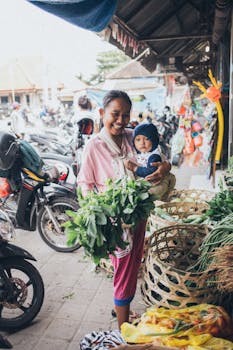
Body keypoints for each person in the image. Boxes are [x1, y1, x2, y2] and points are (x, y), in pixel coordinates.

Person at [77, 90, 172, 328]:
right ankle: (123, 329)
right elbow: (84, 185)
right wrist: (97, 214)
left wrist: (164, 168)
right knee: (125, 270)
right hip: (114, 222)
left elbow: (160, 156)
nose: (121, 120)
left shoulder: (133, 136)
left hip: (138, 214)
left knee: (134, 261)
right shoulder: (93, 147)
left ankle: (121, 309)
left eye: (126, 115)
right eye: (115, 114)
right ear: (102, 113)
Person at [123, 123, 176, 201]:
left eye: (147, 139)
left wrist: (135, 168)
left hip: (157, 185)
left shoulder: (154, 156)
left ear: (154, 140)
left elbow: (150, 172)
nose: (142, 143)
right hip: (150, 183)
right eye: (138, 140)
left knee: (146, 196)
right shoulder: (143, 154)